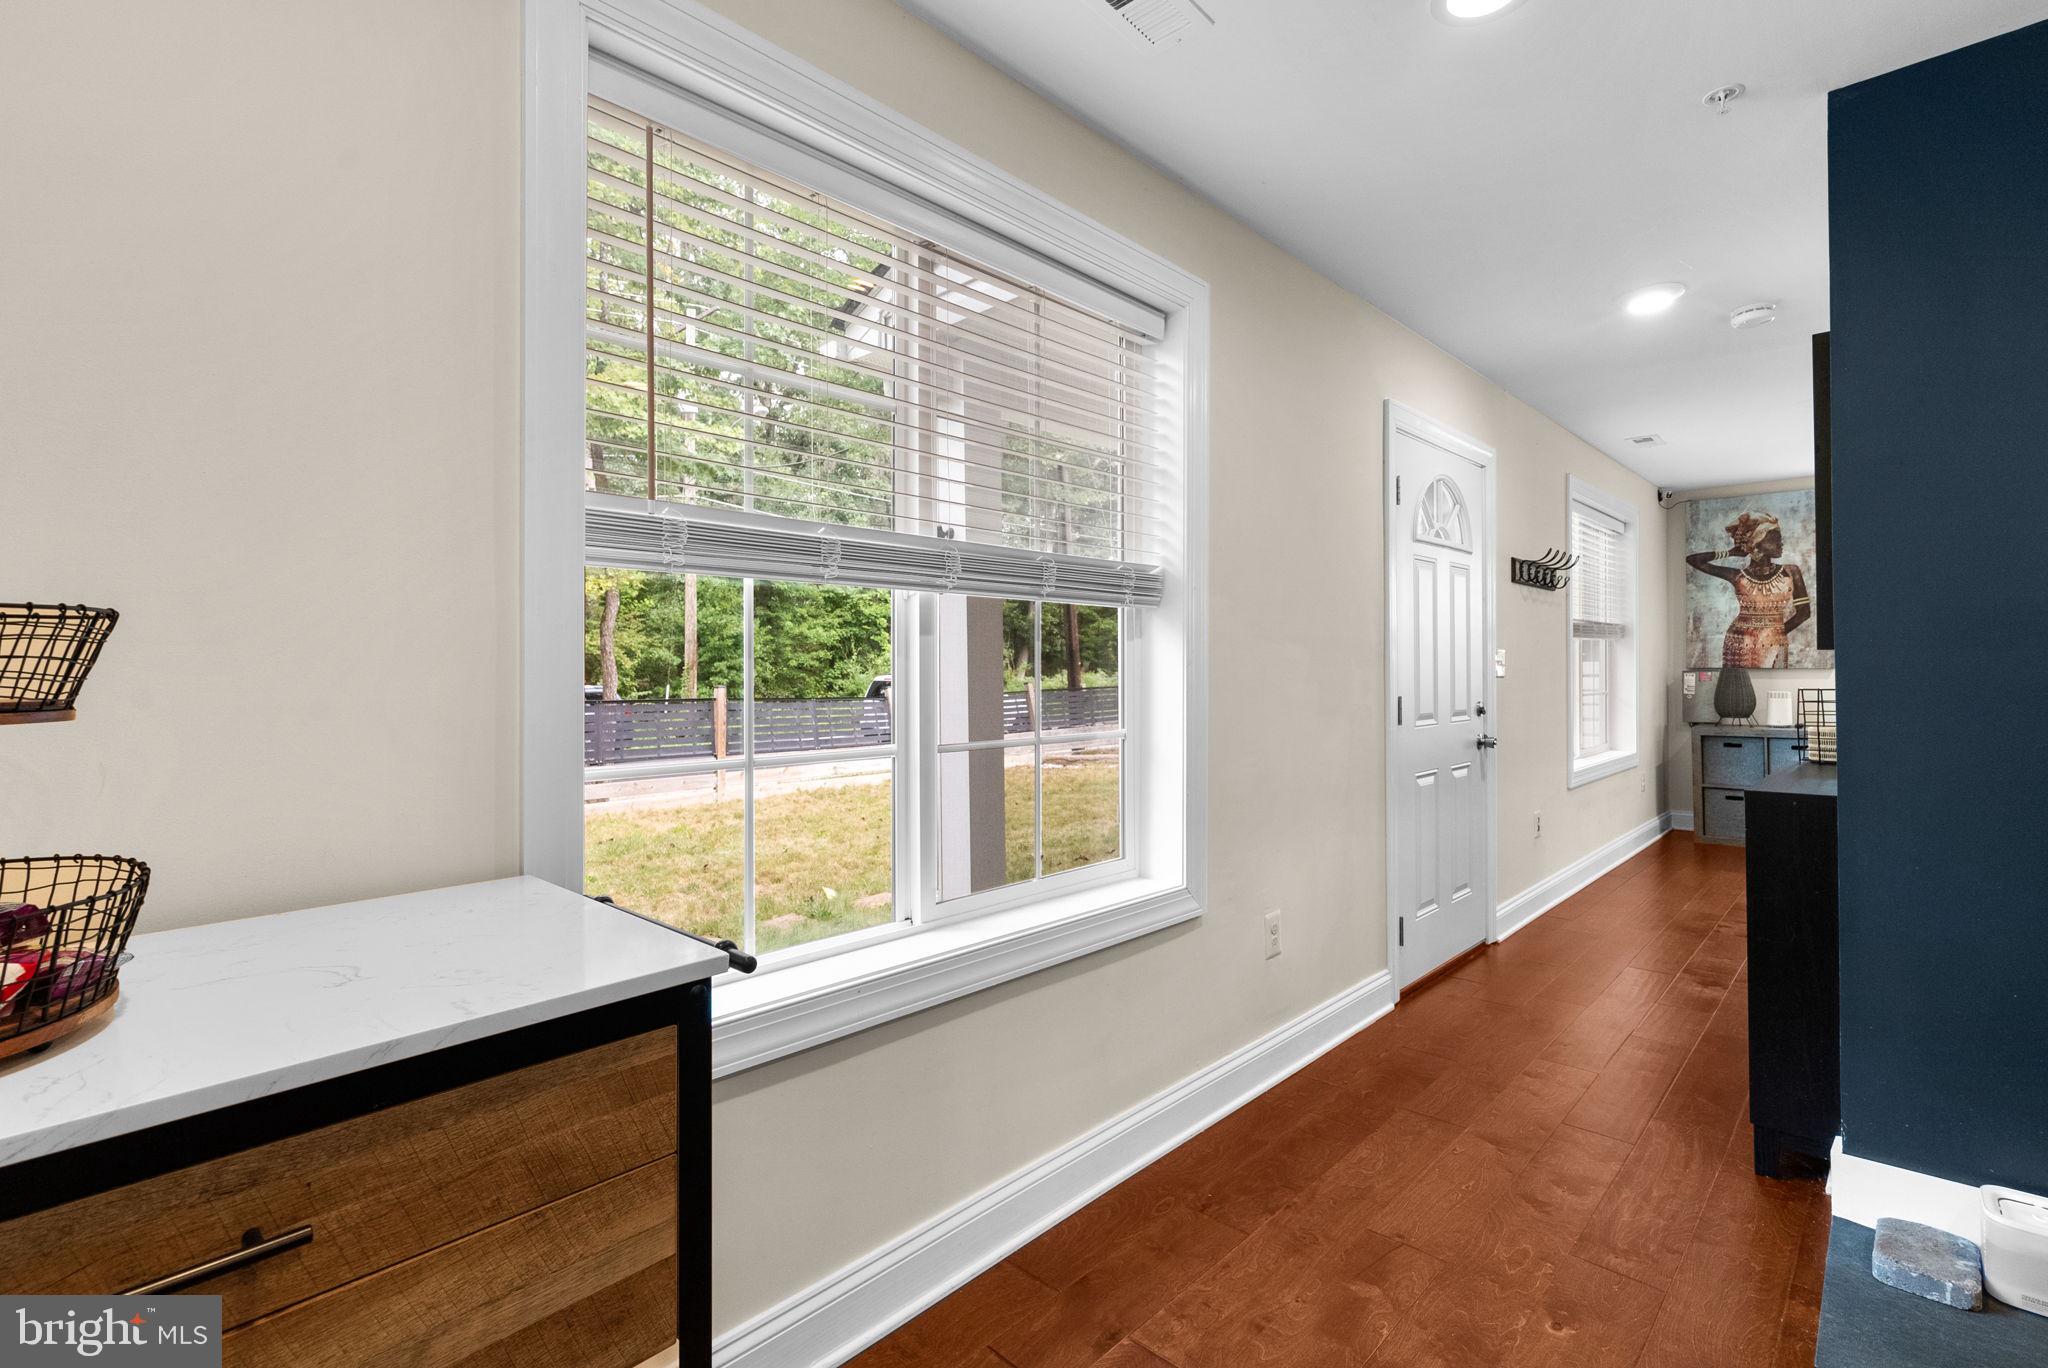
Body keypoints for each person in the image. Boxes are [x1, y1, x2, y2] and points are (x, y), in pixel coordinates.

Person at [1686, 512, 1811, 668]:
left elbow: (1804, 613)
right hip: (1739, 641)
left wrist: (1775, 633)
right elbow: (1693, 560)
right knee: (1736, 686)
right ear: (1757, 542)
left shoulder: (1791, 572)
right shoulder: (1738, 576)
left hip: (1774, 640)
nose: (1781, 543)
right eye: (1775, 538)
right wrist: (1730, 552)